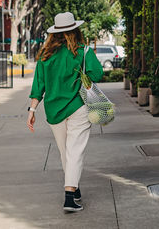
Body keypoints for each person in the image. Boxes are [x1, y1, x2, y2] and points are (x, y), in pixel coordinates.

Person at [27, 12, 103, 212]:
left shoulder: (45, 56)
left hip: (54, 111)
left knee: (65, 152)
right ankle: (70, 196)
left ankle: (74, 187)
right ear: (75, 30)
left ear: (54, 33)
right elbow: (97, 74)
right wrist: (80, 75)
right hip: (79, 106)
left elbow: (38, 86)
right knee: (74, 151)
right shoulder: (83, 52)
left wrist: (32, 109)